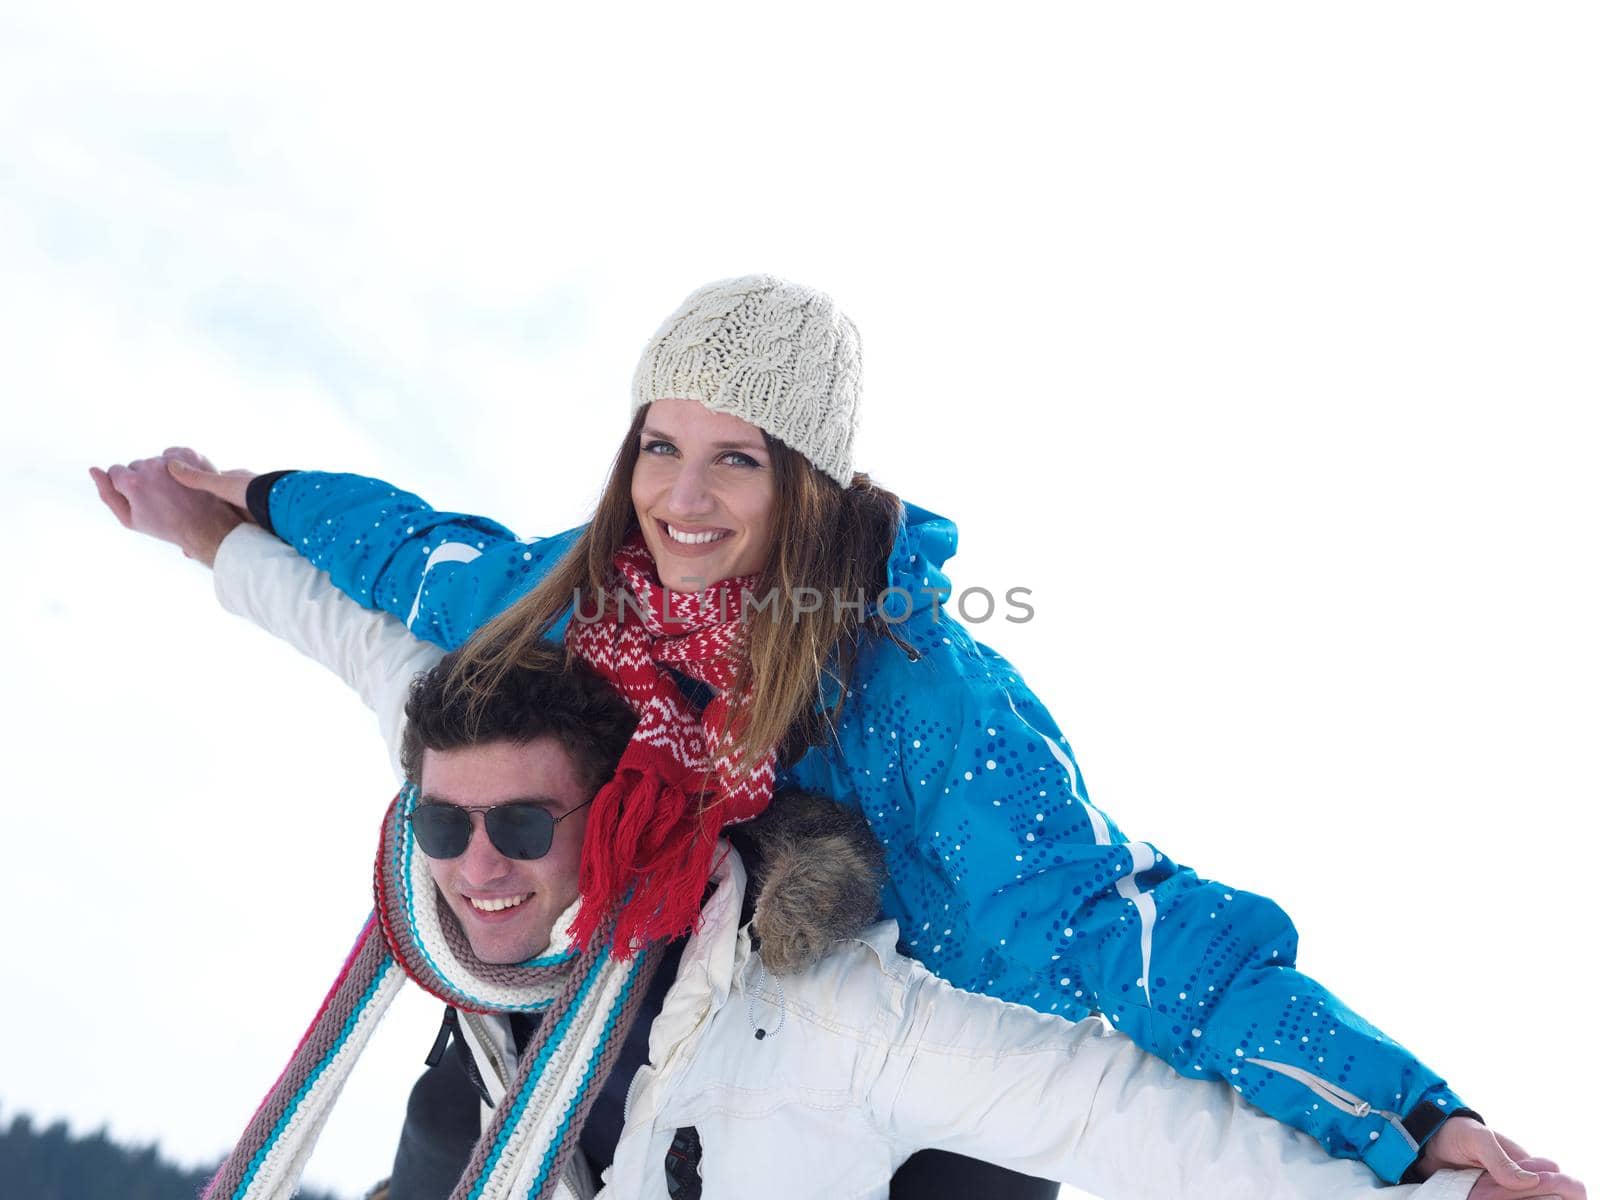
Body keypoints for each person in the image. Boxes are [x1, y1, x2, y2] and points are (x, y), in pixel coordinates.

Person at [90, 274, 1575, 1196]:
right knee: (464, 1126)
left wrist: (1414, 1120)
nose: (685, 495)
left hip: (900, 1094)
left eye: (738, 457)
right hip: (601, 1027)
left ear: (807, 483)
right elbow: (413, 561)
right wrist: (247, 502)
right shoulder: (572, 596)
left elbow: (1131, 938)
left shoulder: (914, 695)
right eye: (660, 443)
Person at [195, 521, 1512, 1199]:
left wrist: (1426, 1147)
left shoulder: (839, 1005)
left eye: (525, 831)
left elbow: (1142, 1117)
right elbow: (364, 609)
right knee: (442, 1124)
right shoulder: (483, 753)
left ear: (603, 811)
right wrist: (225, 527)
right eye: (444, 829)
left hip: (860, 1101)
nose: (477, 865)